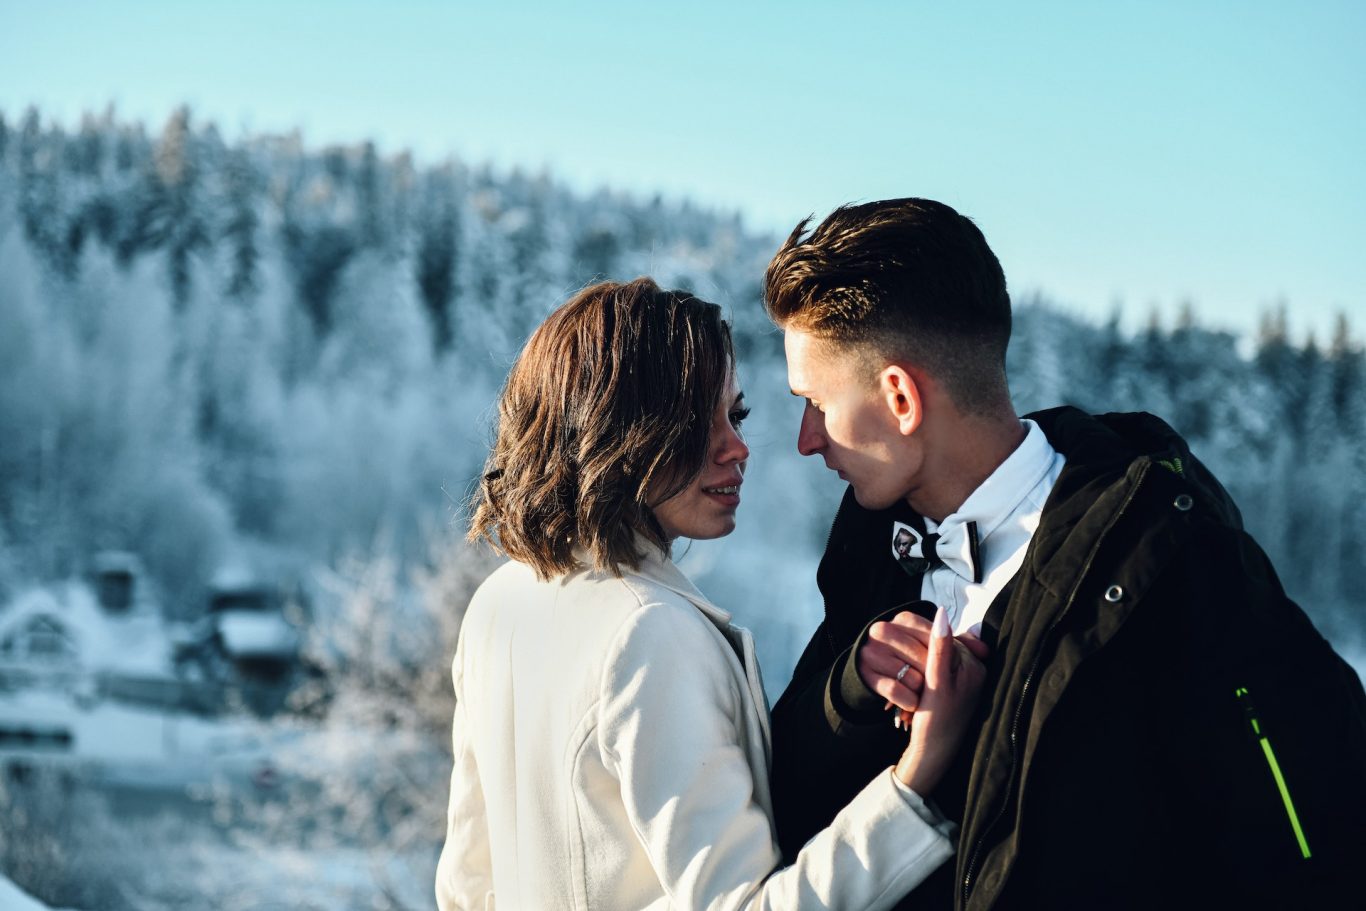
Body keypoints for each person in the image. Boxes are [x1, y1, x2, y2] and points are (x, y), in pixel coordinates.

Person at [760, 198, 1366, 909]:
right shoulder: (868, 550)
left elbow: (1315, 837)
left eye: (817, 403)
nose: (806, 439)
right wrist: (850, 694)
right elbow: (784, 806)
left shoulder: (1169, 562)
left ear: (900, 398)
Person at [435, 278, 988, 911]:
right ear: (619, 427)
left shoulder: (500, 602)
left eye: (737, 414)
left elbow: (467, 887)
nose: (738, 447)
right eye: (700, 421)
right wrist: (916, 781)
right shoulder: (648, 633)